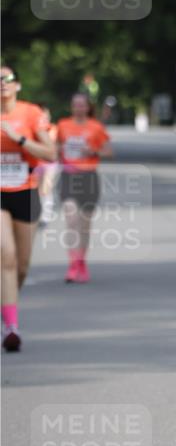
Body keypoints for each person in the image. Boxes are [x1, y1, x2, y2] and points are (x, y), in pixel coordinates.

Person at [1, 65, 57, 352]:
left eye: (7, 79)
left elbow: (51, 153)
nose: (2, 83)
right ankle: (11, 328)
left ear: (18, 85)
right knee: (6, 256)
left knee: (21, 266)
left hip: (26, 191)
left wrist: (19, 138)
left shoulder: (30, 113)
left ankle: (7, 308)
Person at [56, 93, 112, 283]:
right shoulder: (63, 125)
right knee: (71, 220)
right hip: (68, 177)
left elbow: (109, 151)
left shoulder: (96, 126)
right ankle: (72, 264)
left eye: (82, 105)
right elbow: (54, 149)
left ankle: (82, 262)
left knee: (85, 226)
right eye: (75, 105)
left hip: (89, 177)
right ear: (71, 107)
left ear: (88, 107)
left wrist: (93, 150)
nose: (78, 108)